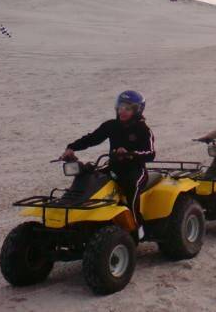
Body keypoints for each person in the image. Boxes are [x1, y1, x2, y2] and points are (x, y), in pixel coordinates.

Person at [60, 91, 155, 239]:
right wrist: (71, 147)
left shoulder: (143, 130)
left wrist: (130, 153)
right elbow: (92, 138)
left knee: (131, 189)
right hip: (113, 167)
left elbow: (150, 154)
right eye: (121, 107)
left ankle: (137, 228)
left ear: (137, 111)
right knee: (90, 177)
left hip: (135, 170)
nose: (122, 111)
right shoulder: (111, 125)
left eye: (128, 108)